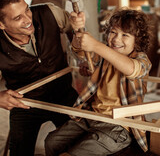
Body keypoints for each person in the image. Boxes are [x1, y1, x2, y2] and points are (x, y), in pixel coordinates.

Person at [0, 0, 85, 156]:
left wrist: (79, 47)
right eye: (17, 18)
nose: (28, 19)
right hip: (25, 105)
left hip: (63, 95)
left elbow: (73, 30)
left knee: (86, 144)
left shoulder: (49, 12)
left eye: (27, 9)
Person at [44, 8, 153, 155]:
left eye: (125, 35)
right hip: (92, 116)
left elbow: (131, 69)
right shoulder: (104, 54)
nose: (116, 39)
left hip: (119, 127)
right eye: (113, 32)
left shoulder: (142, 60)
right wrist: (77, 29)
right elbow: (81, 51)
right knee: (51, 142)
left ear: (138, 40)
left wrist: (96, 45)